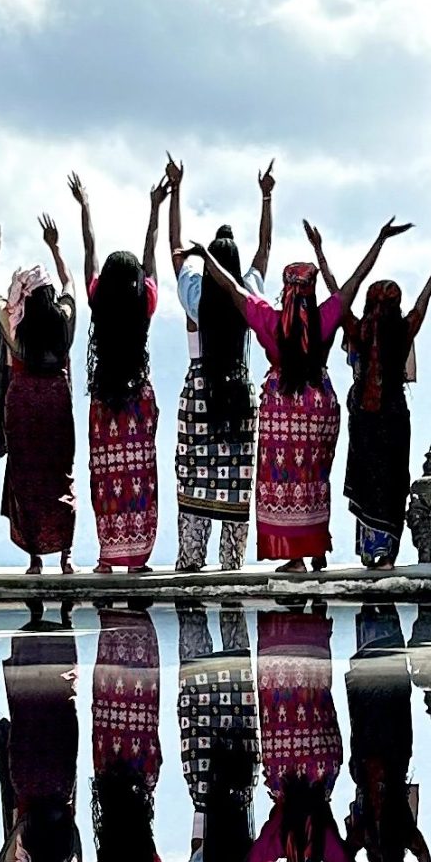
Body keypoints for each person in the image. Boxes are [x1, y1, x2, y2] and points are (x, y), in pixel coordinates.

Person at [191, 214, 407, 572]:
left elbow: (232, 288)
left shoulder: (271, 322)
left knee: (286, 480)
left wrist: (204, 255)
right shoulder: (326, 317)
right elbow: (356, 279)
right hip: (321, 406)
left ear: (286, 289)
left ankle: (295, 557)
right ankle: (318, 548)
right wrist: (380, 240)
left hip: (282, 411)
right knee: (315, 478)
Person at [329, 228, 431, 568]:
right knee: (392, 481)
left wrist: (321, 252)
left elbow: (338, 294)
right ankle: (387, 554)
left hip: (363, 415)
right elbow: (425, 298)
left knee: (366, 479)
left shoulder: (357, 330)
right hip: (394, 413)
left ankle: (371, 550)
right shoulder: (403, 330)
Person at [170, 156, 272, 572]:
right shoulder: (247, 293)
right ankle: (232, 561)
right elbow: (264, 249)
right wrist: (267, 196)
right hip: (238, 391)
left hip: (200, 392)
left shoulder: (195, 294)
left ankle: (191, 557)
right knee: (236, 482)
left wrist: (175, 190)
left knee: (194, 479)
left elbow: (176, 253)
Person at [75, 170, 162, 572]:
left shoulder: (98, 303)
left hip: (104, 401)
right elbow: (151, 260)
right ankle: (138, 557)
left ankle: (107, 556)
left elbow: (89, 254)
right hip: (137, 398)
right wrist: (155, 209)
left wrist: (85, 207)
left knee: (106, 478)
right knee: (139, 478)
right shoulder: (143, 305)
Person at [250, 609, 371, 862]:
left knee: (316, 691)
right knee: (278, 686)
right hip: (283, 754)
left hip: (321, 760)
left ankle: (315, 615)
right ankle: (281, 620)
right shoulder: (278, 844)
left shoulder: (324, 847)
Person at [0, 218, 78, 574]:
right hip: (56, 400)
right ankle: (67, 556)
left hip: (22, 402)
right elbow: (70, 282)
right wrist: (55, 247)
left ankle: (35, 559)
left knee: (26, 478)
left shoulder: (15, 326)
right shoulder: (64, 323)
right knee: (60, 475)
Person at [342, 606, 431, 862]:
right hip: (380, 746)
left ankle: (378, 608)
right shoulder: (386, 834)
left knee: (387, 677)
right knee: (374, 674)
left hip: (386, 744)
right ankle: (374, 609)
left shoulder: (387, 835)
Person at [0, 601, 82, 862]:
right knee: (27, 705)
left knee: (61, 705)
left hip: (59, 781)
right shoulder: (23, 854)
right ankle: (33, 627)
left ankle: (64, 623)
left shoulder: (69, 856)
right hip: (27, 777)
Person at [178, 604, 261, 862]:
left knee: (221, 687)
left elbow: (196, 861)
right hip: (223, 785)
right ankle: (214, 610)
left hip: (222, 785)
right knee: (207, 689)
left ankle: (216, 609)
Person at [91, 605, 163, 862]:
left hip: (139, 776)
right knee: (109, 693)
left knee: (141, 696)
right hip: (109, 776)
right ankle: (113, 621)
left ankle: (139, 624)